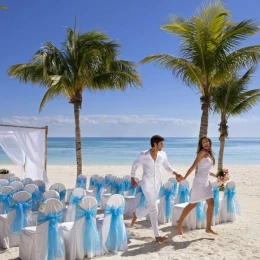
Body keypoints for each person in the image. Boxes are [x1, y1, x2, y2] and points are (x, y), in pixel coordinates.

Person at [130, 135, 182, 244]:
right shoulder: (144, 155)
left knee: (151, 205)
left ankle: (137, 214)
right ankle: (157, 236)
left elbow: (167, 166)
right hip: (146, 184)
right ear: (155, 144)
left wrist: (176, 173)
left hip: (157, 184)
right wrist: (132, 177)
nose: (163, 146)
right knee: (154, 208)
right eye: (161, 144)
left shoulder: (163, 155)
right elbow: (135, 164)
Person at [176, 135, 218, 235]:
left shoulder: (210, 154)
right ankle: (179, 221)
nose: (205, 143)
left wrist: (217, 175)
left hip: (206, 182)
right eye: (203, 142)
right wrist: (185, 177)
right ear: (201, 145)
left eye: (207, 141)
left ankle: (208, 228)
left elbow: (206, 170)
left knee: (211, 204)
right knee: (193, 204)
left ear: (210, 142)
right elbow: (194, 166)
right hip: (199, 182)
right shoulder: (202, 153)